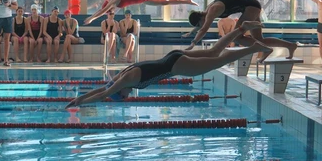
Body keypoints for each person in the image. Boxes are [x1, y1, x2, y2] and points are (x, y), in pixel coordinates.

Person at [65, 21, 272, 107]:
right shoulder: (121, 76)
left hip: (176, 66)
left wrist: (81, 103)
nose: (129, 96)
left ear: (122, 92)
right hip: (172, 56)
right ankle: (240, 28)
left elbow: (103, 94)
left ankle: (255, 48)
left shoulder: (125, 81)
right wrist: (78, 99)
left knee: (220, 60)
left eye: (125, 96)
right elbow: (103, 88)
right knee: (215, 52)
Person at [184, 0, 297, 63]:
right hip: (252, 6)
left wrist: (193, 43)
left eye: (199, 24)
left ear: (200, 19)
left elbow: (203, 29)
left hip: (250, 7)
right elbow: (200, 27)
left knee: (237, 37)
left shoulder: (212, 11)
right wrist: (192, 32)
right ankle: (290, 45)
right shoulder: (206, 11)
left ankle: (265, 49)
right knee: (258, 38)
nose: (201, 25)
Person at [84, 0, 199, 25]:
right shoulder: (114, 9)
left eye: (111, 12)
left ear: (108, 8)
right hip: (141, 0)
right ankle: (187, 1)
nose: (113, 13)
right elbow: (106, 14)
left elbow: (101, 11)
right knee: (165, 2)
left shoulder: (114, 1)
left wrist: (91, 18)